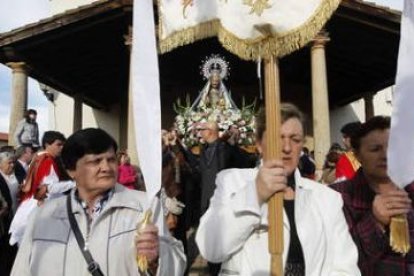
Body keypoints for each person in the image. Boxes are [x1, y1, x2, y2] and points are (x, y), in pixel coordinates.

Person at [196, 103, 360, 275]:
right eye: (277, 138)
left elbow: (345, 267)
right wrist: (256, 193)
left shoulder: (327, 199)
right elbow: (211, 248)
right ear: (259, 144)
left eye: (295, 140)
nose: (287, 148)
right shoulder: (233, 182)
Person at [11, 128, 186, 275]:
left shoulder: (144, 206)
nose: (106, 167)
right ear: (72, 170)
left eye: (111, 159)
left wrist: (157, 258)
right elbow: (22, 269)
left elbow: (177, 263)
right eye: (95, 161)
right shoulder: (43, 216)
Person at [331, 116, 414, 275]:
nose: (386, 155)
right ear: (357, 155)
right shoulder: (337, 197)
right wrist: (375, 222)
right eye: (375, 149)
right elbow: (342, 263)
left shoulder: (410, 190)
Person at [9, 131, 71, 246]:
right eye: (58, 144)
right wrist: (74, 184)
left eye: (63, 145)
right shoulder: (47, 160)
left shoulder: (37, 158)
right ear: (47, 144)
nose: (61, 148)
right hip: (41, 206)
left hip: (32, 204)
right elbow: (49, 187)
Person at [0, 151, 19, 275]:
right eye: (9, 163)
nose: (12, 165)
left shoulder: (15, 177)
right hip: (3, 222)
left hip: (13, 220)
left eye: (13, 162)